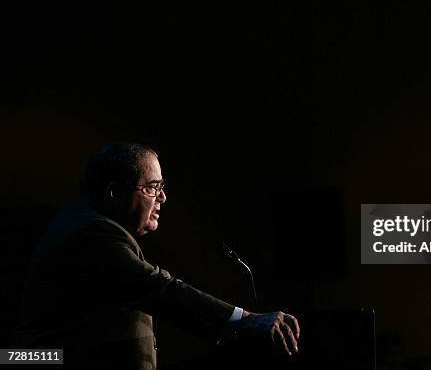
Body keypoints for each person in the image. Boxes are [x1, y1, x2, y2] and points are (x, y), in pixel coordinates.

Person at [15, 142, 300, 369]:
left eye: (161, 187)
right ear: (113, 192)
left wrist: (236, 331)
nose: (162, 197)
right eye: (152, 187)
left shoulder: (93, 224)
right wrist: (245, 320)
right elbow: (158, 289)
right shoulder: (91, 232)